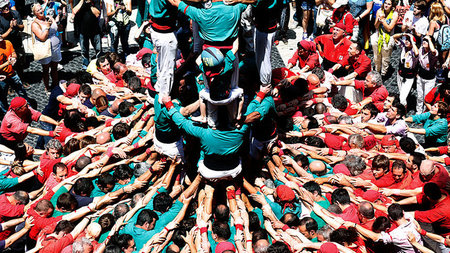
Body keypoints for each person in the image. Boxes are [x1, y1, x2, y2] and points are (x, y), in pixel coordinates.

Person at [31, 3, 62, 92]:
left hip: (55, 48)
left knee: (55, 68)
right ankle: (47, 88)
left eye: (41, 8)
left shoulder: (49, 17)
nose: (41, 10)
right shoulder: (34, 24)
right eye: (38, 10)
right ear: (35, 13)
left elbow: (58, 29)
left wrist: (58, 23)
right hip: (45, 50)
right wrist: (47, 27)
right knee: (46, 70)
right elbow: (42, 37)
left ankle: (55, 86)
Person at [370, 0, 398, 77]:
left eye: (389, 4)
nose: (386, 5)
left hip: (388, 37)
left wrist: (383, 20)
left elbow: (389, 29)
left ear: (392, 6)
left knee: (385, 59)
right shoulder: (380, 11)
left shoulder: (394, 14)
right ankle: (377, 71)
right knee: (376, 56)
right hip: (378, 35)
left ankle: (383, 73)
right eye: (385, 3)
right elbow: (375, 26)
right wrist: (379, 21)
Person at [72, 0, 102, 69]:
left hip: (95, 29)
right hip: (82, 29)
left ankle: (100, 63)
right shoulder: (78, 0)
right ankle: (85, 63)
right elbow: (74, 11)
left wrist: (91, 4)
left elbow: (97, 13)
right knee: (84, 50)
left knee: (98, 49)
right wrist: (82, 1)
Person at [393, 33, 419, 106]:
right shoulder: (403, 47)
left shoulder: (414, 51)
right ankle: (404, 109)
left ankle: (402, 113)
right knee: (402, 93)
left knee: (402, 98)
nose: (407, 41)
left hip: (409, 77)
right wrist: (403, 34)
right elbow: (394, 37)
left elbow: (417, 53)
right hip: (400, 74)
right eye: (406, 40)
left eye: (409, 41)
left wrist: (413, 41)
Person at [416, 36, 439, 114]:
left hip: (429, 79)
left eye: (427, 41)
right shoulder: (421, 49)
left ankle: (425, 113)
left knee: (426, 97)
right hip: (421, 76)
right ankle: (418, 112)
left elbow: (433, 51)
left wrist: (429, 39)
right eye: (424, 40)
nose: (424, 41)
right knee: (419, 96)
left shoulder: (434, 52)